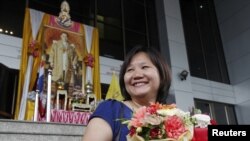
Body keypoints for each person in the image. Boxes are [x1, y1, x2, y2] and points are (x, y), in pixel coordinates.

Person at [82, 45, 172, 141]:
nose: (137, 75)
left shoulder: (173, 118)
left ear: (161, 74)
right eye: (130, 70)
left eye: (144, 67)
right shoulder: (111, 109)